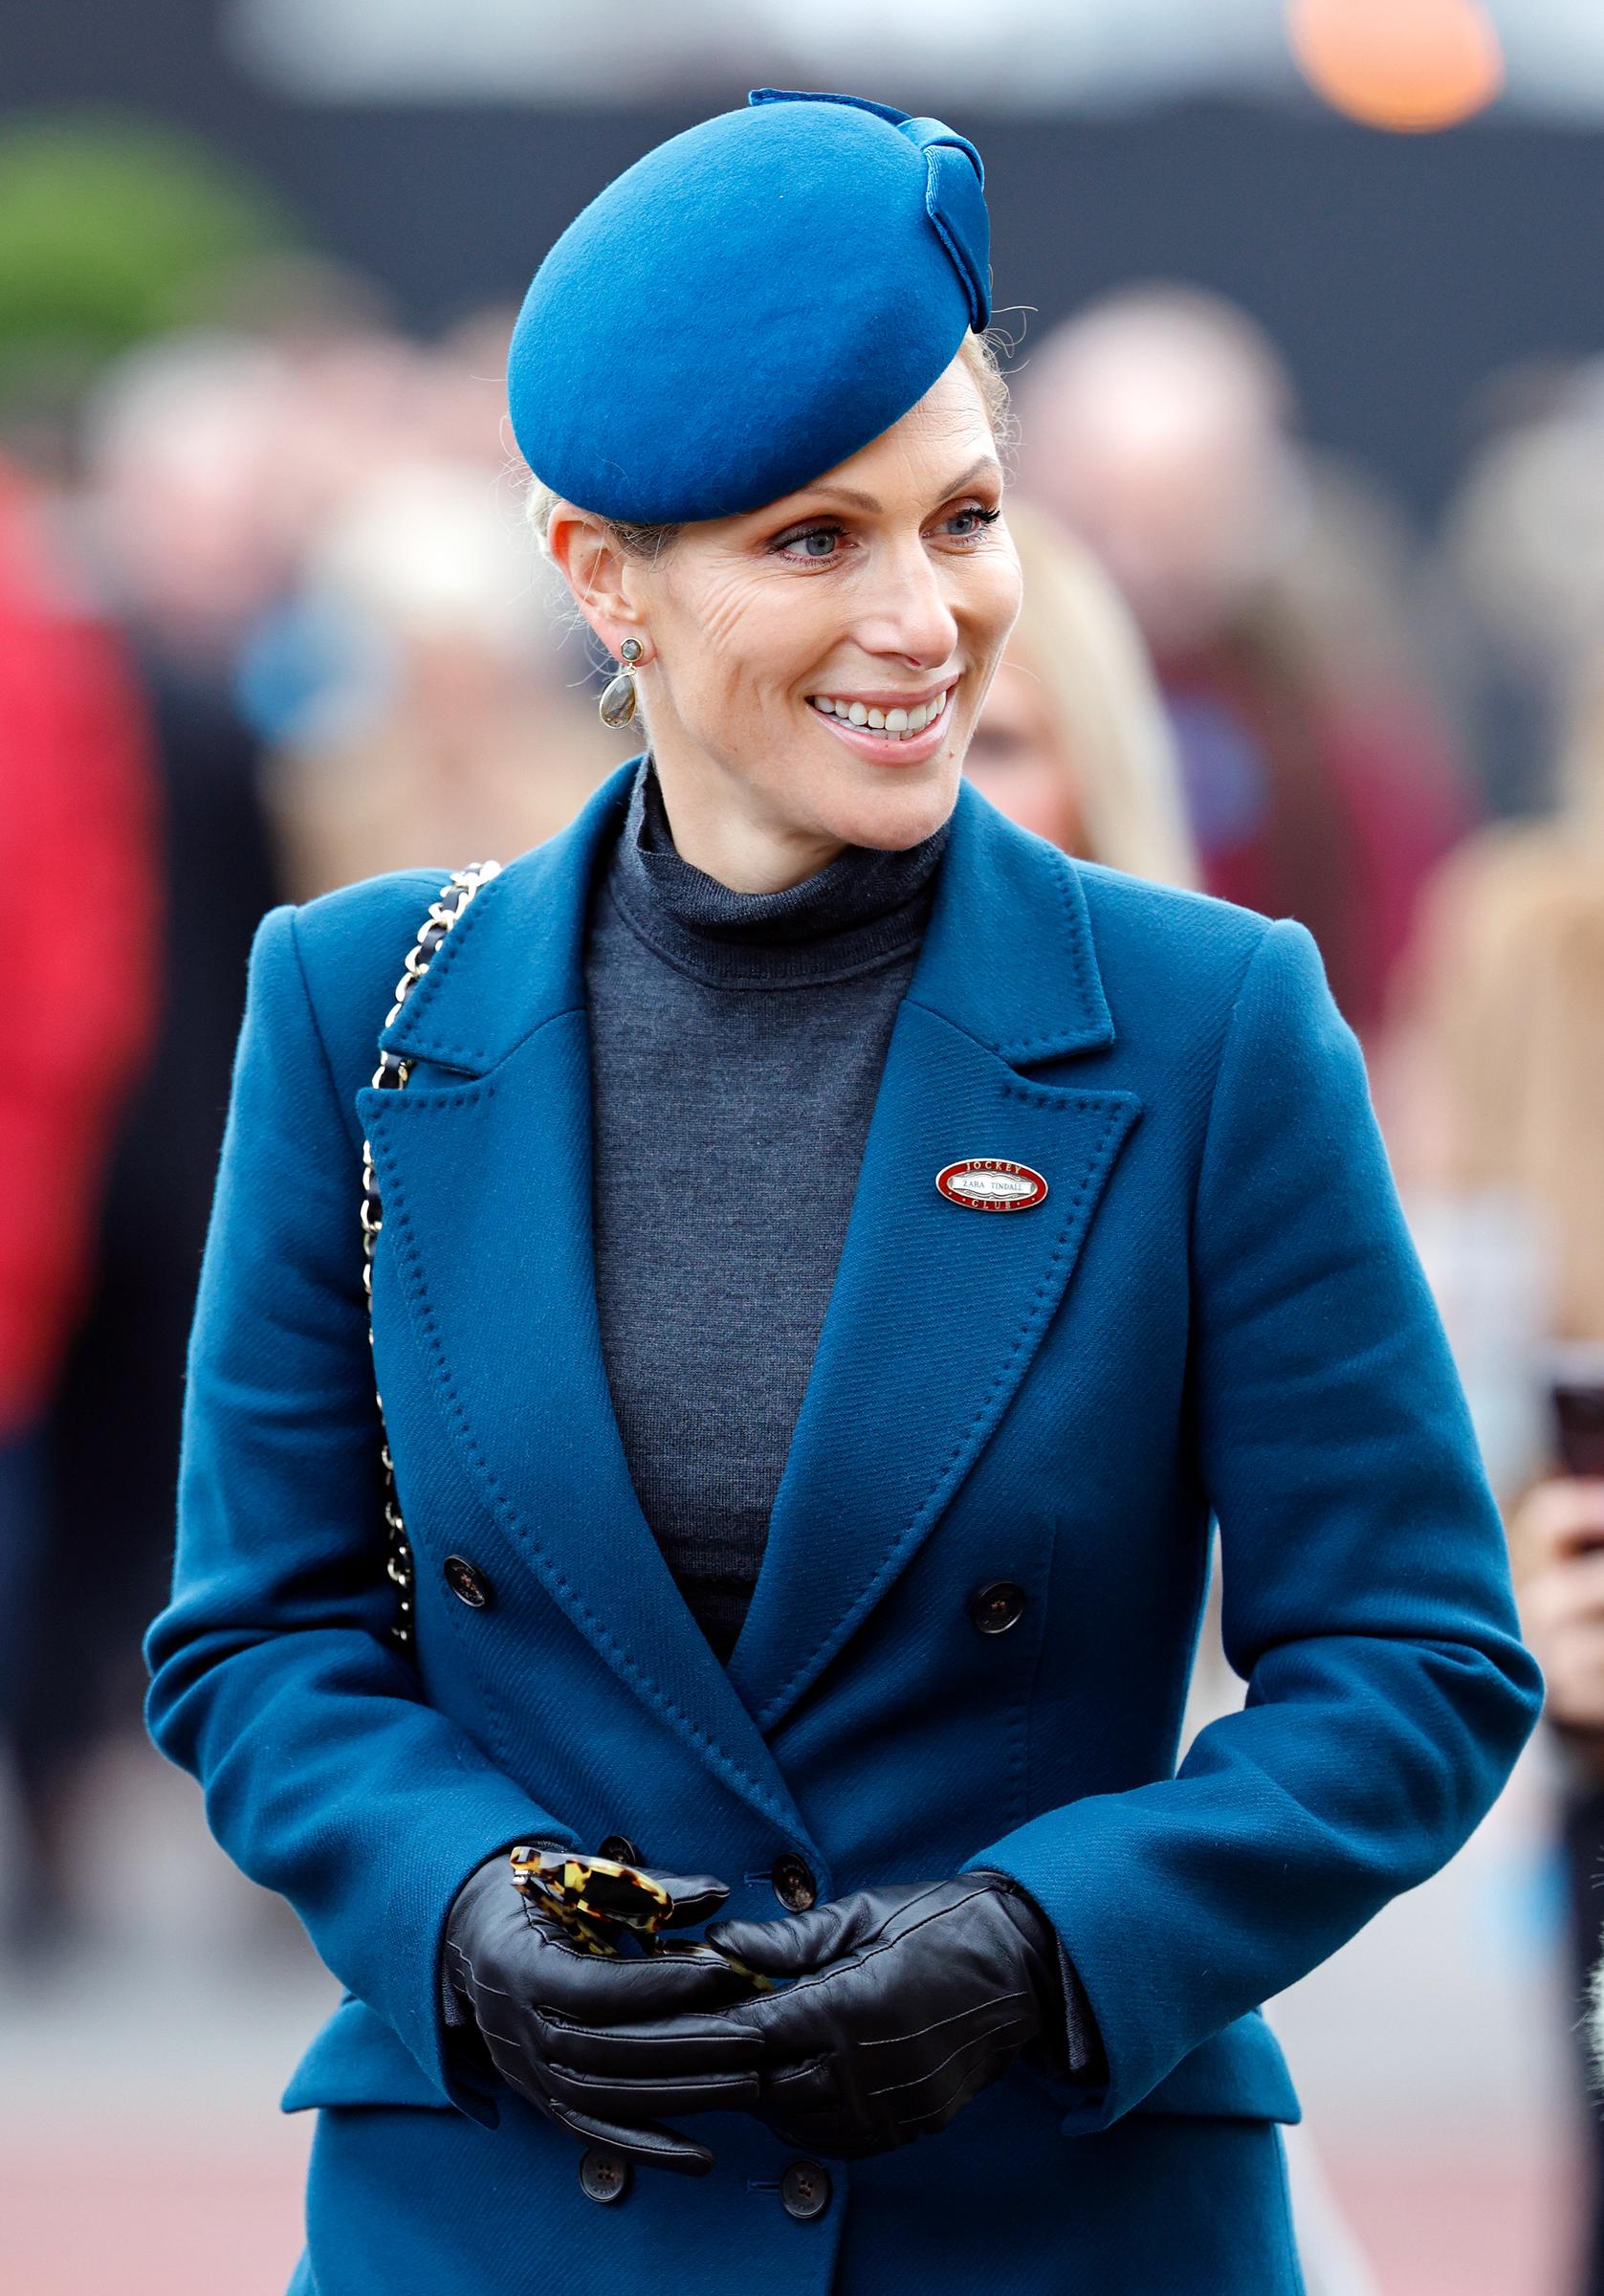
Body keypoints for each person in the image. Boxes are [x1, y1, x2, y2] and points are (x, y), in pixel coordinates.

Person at [143, 88, 1544, 2293]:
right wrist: (462, 1908)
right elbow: (257, 1632)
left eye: (961, 517)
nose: (923, 617)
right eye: (813, 541)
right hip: (512, 2218)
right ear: (596, 576)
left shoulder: (1206, 1020)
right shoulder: (358, 1006)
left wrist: (1042, 1943)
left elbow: (1410, 1659)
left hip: (1045, 2219)